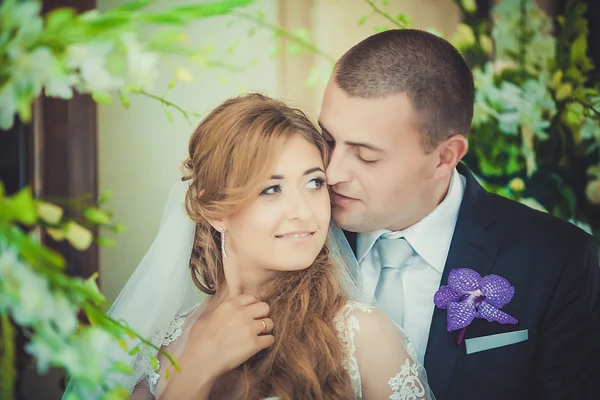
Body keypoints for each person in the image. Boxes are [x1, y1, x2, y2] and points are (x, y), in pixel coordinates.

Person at [65, 93, 434, 400]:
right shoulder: (155, 344)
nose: (303, 212)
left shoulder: (359, 333)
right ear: (214, 210)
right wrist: (196, 367)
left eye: (314, 183)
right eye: (270, 189)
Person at [319, 28, 600, 399]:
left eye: (366, 155)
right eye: (327, 140)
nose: (332, 172)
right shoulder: (294, 240)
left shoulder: (558, 259)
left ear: (444, 157)